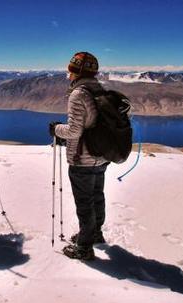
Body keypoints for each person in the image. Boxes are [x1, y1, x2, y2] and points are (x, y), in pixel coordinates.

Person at [49, 52, 108, 260]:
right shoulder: (99, 90)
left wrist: (56, 129)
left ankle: (84, 247)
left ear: (76, 72)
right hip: (101, 156)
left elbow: (74, 131)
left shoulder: (78, 94)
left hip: (82, 159)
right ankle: (95, 234)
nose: (68, 74)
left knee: (84, 203)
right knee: (97, 196)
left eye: (70, 70)